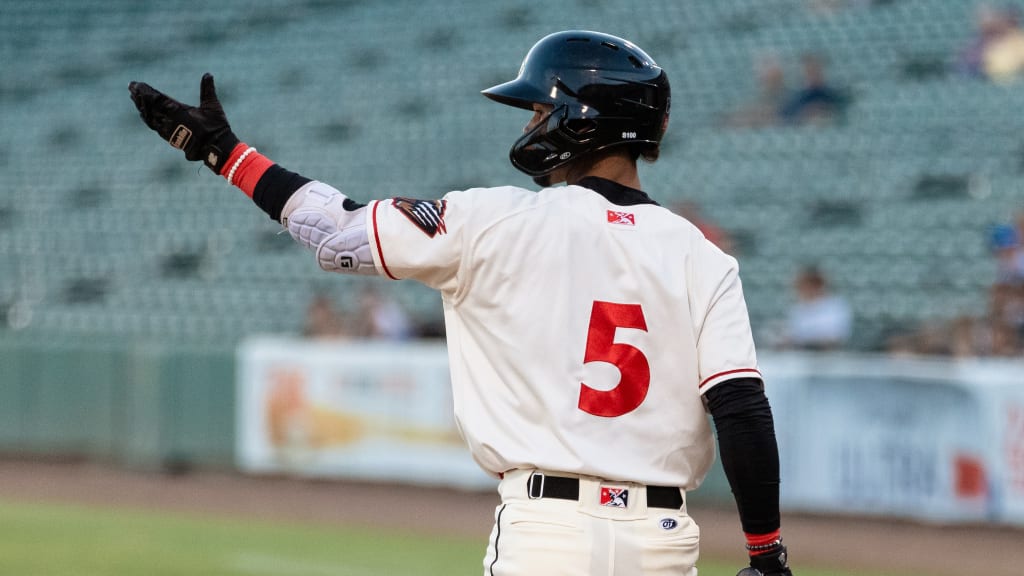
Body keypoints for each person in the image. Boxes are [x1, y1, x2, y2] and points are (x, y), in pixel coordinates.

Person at [129, 30, 792, 576]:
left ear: (579, 116)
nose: (532, 121)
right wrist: (765, 555)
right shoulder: (702, 255)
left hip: (546, 531)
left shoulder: (495, 221)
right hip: (662, 539)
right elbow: (740, 410)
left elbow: (336, 232)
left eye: (539, 108)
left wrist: (226, 154)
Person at [780, 266, 852, 351]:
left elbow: (835, 337)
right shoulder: (797, 308)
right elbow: (793, 334)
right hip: (801, 353)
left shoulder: (835, 306)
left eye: (808, 285)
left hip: (829, 355)